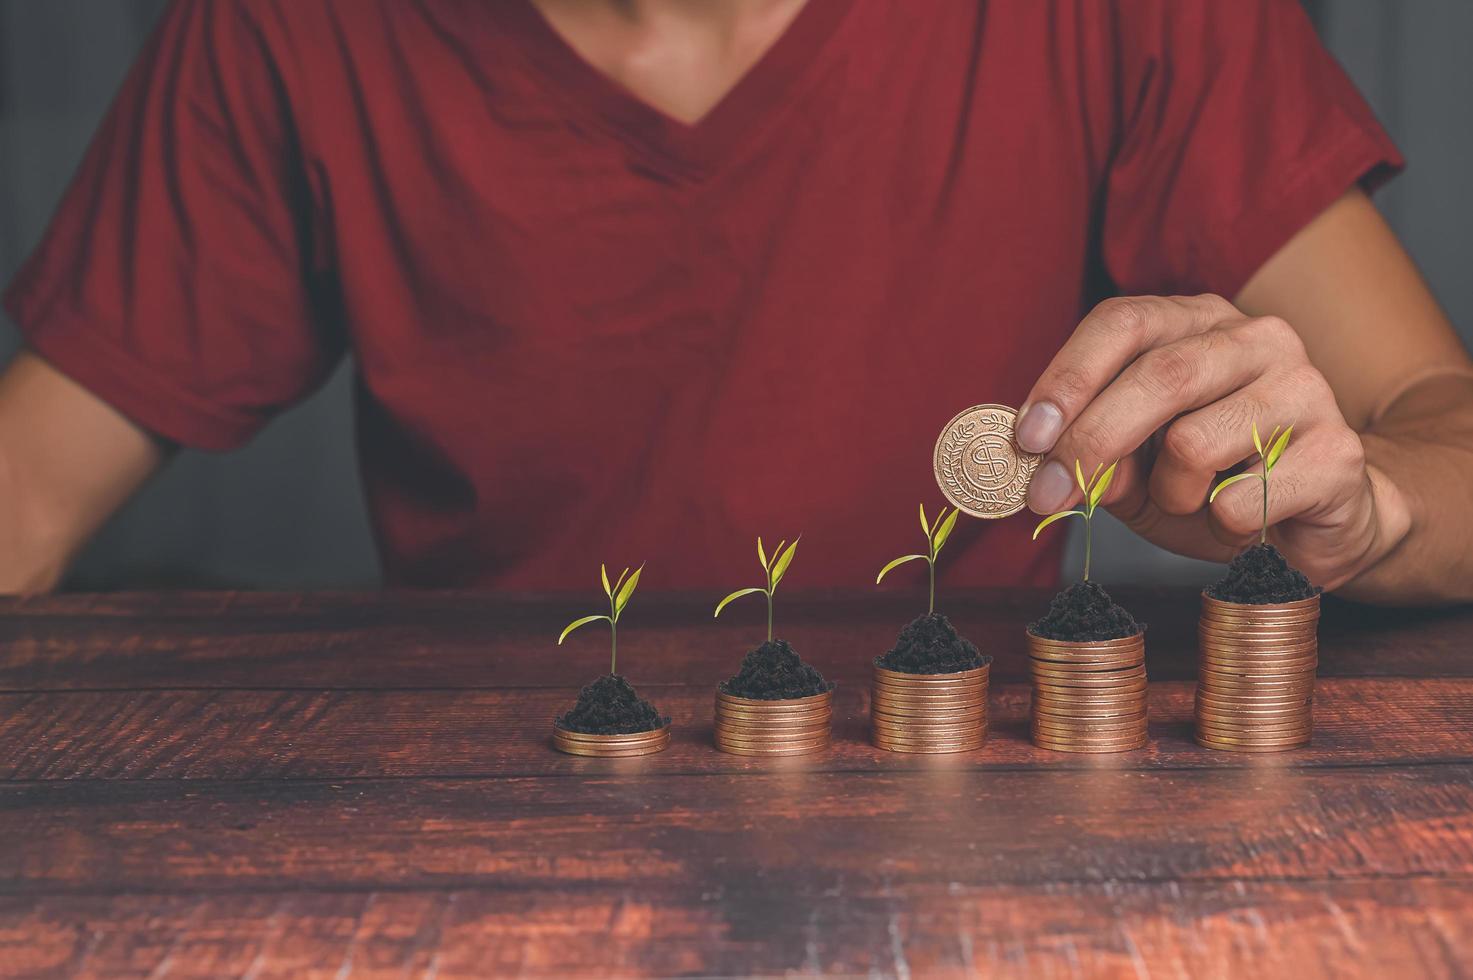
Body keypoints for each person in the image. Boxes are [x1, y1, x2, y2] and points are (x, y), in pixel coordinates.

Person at [2, 0, 1471, 602]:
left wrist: (1376, 507)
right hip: (488, 857)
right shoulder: (290, 28)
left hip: (985, 834)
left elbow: (1440, 430)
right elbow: (25, 498)